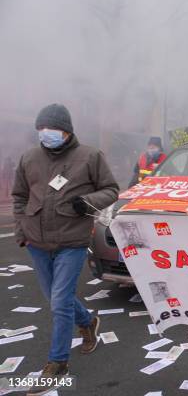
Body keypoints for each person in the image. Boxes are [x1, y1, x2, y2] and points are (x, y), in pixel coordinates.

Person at [12, 104, 119, 395]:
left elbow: (111, 189)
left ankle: (58, 363)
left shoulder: (90, 156)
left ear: (66, 130)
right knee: (56, 298)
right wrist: (22, 232)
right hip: (36, 242)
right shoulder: (29, 157)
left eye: (51, 129)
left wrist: (87, 202)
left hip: (71, 241)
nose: (45, 134)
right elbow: (19, 196)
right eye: (41, 129)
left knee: (59, 301)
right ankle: (88, 322)